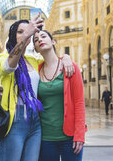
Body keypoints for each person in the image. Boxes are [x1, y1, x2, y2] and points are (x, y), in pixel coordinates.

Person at [0, 14, 75, 161]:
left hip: (36, 123)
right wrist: (26, 35)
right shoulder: (3, 57)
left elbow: (52, 59)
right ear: (13, 36)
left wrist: (66, 57)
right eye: (20, 31)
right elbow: (9, 66)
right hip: (15, 122)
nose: (25, 34)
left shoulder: (33, 60)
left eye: (28, 31)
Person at [33, 29, 85, 161]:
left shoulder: (70, 67)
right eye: (36, 40)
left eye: (43, 36)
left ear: (53, 41)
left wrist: (80, 135)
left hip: (70, 138)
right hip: (45, 138)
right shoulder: (36, 71)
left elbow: (79, 102)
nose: (39, 39)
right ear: (36, 49)